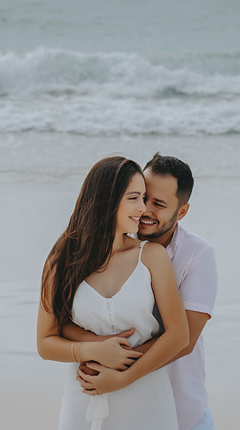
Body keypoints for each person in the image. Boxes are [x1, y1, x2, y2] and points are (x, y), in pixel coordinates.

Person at [37, 156, 190, 430]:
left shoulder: (151, 256)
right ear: (108, 199)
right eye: (134, 198)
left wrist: (123, 377)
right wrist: (93, 349)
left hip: (146, 398)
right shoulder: (61, 259)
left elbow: (179, 335)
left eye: (144, 198)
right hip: (83, 395)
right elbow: (45, 342)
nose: (143, 209)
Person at [70, 153, 218, 430]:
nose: (144, 210)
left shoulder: (198, 255)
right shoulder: (111, 243)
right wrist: (94, 347)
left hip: (181, 407)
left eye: (158, 204)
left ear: (182, 211)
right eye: (141, 197)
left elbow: (185, 341)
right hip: (114, 403)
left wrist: (119, 367)